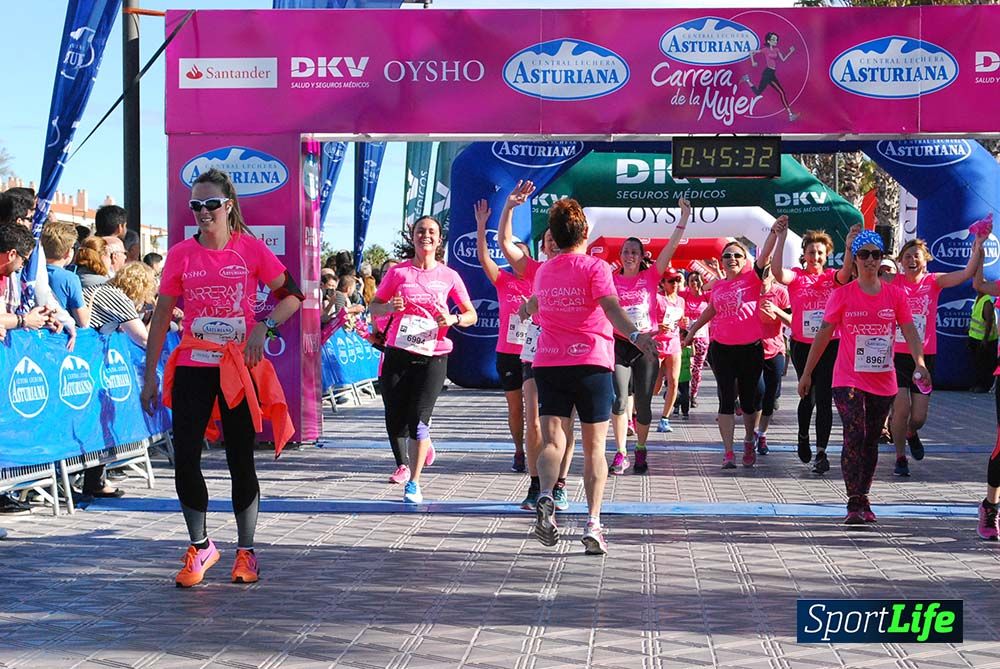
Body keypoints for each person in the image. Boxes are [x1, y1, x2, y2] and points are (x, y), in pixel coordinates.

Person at [140, 168, 304, 588]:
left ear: (228, 205)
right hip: (195, 363)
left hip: (236, 368)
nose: (203, 212)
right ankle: (201, 545)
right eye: (196, 205)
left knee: (240, 460)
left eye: (211, 204)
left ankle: (246, 551)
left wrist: (262, 327)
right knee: (187, 458)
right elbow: (161, 315)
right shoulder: (180, 254)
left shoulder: (249, 249)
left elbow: (293, 298)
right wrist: (150, 376)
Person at [526, 198, 657, 555]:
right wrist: (636, 336)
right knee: (595, 447)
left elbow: (535, 304)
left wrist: (525, 308)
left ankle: (546, 498)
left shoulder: (545, 270)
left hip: (550, 364)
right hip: (592, 364)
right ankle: (594, 523)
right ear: (584, 232)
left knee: (554, 443)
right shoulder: (596, 267)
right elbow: (612, 308)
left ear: (554, 235)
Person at [798, 230, 928, 524]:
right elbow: (824, 334)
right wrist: (807, 372)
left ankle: (864, 495)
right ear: (854, 259)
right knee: (854, 434)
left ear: (882, 259)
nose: (870, 260)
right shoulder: (842, 294)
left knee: (870, 439)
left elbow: (909, 330)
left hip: (883, 378)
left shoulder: (895, 294)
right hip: (848, 378)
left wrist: (920, 362)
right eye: (864, 255)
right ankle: (853, 500)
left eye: (876, 255)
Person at [368, 216, 477, 505]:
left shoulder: (449, 276)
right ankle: (423, 446)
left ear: (439, 240)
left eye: (431, 232)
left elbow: (471, 314)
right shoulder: (399, 273)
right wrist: (390, 305)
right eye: (420, 232)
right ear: (412, 237)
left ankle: (414, 483)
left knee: (418, 420)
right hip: (399, 352)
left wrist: (453, 317)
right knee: (395, 420)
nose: (425, 236)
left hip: (434, 355)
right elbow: (373, 306)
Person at [497, 184, 578, 512]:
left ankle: (559, 484)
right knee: (533, 420)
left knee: (564, 424)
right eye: (548, 243)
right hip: (535, 350)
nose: (554, 246)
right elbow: (504, 243)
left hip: (570, 353)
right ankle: (534, 484)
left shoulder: (580, 269)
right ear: (542, 248)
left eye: (558, 242)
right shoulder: (536, 270)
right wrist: (510, 207)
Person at [683, 219, 784, 468]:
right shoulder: (718, 286)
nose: (732, 259)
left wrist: (774, 232)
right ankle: (728, 452)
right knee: (726, 399)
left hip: (751, 349)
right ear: (722, 261)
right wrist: (692, 331)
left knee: (751, 401)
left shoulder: (752, 278)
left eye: (737, 255)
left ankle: (749, 440)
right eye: (727, 256)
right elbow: (710, 310)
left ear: (745, 259)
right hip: (722, 350)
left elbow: (767, 253)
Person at [890, 235, 985, 477]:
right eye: (907, 257)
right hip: (896, 355)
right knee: (900, 409)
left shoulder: (934, 282)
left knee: (919, 416)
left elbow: (966, 274)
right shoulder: (893, 281)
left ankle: (912, 432)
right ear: (900, 261)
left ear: (925, 261)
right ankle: (900, 457)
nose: (911, 260)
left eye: (916, 256)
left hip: (924, 356)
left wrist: (978, 246)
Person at [608, 208, 689, 475]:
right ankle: (620, 452)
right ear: (619, 256)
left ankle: (640, 447)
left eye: (634, 252)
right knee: (619, 400)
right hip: (619, 345)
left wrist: (683, 219)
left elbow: (671, 247)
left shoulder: (651, 276)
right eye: (625, 251)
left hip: (646, 347)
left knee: (643, 403)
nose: (629, 255)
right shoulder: (610, 280)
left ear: (642, 257)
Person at [772, 225, 856, 474]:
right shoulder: (797, 277)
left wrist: (850, 245)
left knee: (824, 399)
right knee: (807, 394)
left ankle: (821, 451)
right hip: (802, 345)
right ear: (804, 254)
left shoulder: (833, 278)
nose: (816, 257)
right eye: (812, 252)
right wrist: (781, 237)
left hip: (831, 344)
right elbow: (777, 272)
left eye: (820, 253)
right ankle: (802, 436)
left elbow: (848, 271)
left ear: (827, 255)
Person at [80, 262, 158, 499]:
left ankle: (94, 478)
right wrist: (158, 317)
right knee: (96, 418)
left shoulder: (105, 290)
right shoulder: (116, 297)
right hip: (85, 365)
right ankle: (91, 480)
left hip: (85, 363)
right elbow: (144, 339)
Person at [474, 197, 533, 473]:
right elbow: (484, 259)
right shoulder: (504, 280)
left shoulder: (540, 278)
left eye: (520, 256)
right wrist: (481, 225)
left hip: (536, 353)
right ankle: (519, 450)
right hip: (508, 352)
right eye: (512, 257)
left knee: (535, 408)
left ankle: (537, 448)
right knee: (515, 408)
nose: (515, 262)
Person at [752, 273, 791, 454]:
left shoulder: (781, 293)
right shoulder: (749, 292)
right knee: (758, 392)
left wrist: (776, 310)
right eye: (759, 275)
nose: (762, 278)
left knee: (770, 395)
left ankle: (762, 434)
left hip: (775, 349)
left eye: (766, 275)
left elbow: (791, 321)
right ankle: (752, 432)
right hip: (752, 349)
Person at [653, 268, 687, 439]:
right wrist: (657, 326)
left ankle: (664, 419)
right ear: (663, 283)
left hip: (673, 344)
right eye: (670, 281)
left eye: (677, 281)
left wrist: (683, 322)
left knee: (674, 381)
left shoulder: (681, 301)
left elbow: (679, 321)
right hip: (657, 344)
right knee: (655, 388)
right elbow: (647, 319)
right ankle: (635, 414)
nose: (674, 284)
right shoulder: (657, 298)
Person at [42, 221, 91, 328]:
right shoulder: (70, 278)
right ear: (69, 252)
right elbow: (83, 321)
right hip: (62, 336)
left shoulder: (33, 273)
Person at [741, 31, 799, 122]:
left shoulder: (777, 50)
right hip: (768, 73)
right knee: (780, 92)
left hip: (772, 73)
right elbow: (751, 52)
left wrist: (790, 52)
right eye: (773, 39)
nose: (775, 41)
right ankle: (790, 114)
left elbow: (783, 59)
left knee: (760, 92)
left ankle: (747, 79)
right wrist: (753, 62)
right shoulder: (765, 50)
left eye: (776, 40)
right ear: (768, 41)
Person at [679, 269, 710, 409]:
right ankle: (682, 394)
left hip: (701, 339)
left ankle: (694, 395)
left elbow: (720, 283)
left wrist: (715, 270)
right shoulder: (684, 295)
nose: (694, 283)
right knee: (686, 367)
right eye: (692, 280)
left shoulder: (706, 296)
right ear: (688, 283)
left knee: (697, 369)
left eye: (697, 280)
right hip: (686, 339)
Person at [968, 279, 998, 393]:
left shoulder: (987, 302)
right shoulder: (977, 298)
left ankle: (984, 386)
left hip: (986, 340)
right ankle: (977, 384)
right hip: (975, 337)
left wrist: (985, 339)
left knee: (985, 365)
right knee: (977, 364)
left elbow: (989, 321)